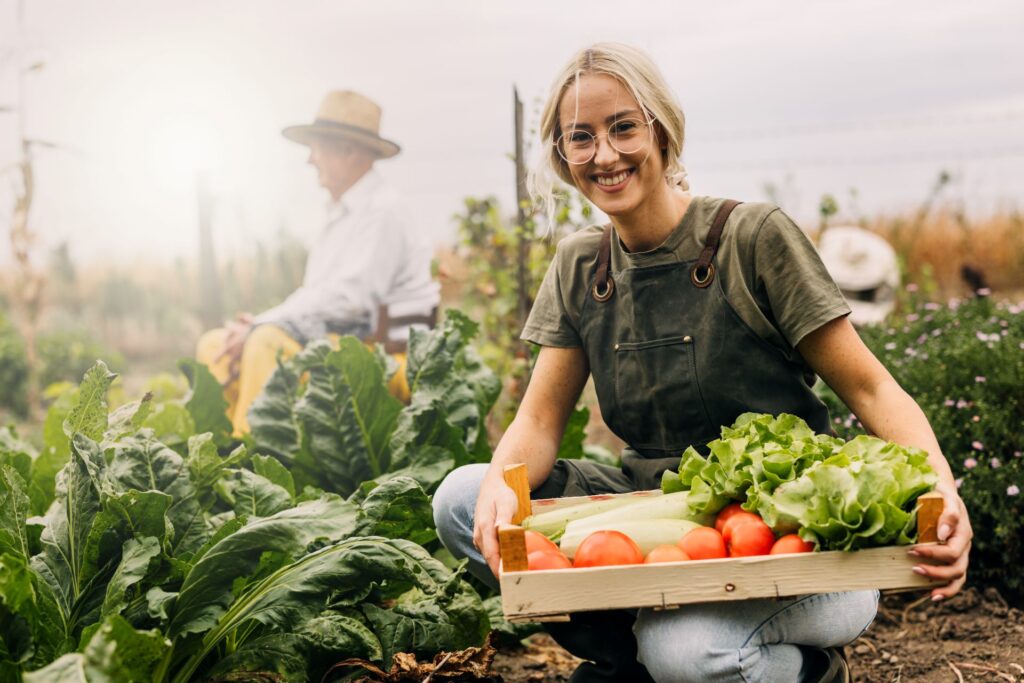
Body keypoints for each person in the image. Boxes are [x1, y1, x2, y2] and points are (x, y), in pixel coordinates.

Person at [432, 43, 971, 683]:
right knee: (463, 500)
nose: (605, 154)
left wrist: (942, 490)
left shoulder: (754, 238)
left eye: (622, 126)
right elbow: (540, 421)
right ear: (563, 156)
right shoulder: (582, 265)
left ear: (662, 130)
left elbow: (872, 388)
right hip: (658, 517)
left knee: (688, 654)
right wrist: (503, 481)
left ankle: (806, 672)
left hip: (791, 541)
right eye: (581, 137)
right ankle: (632, 661)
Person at [196, 90, 439, 435]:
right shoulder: (339, 213)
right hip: (343, 340)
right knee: (215, 345)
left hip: (384, 354)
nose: (311, 160)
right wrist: (255, 326)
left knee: (266, 343)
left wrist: (260, 325)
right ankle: (217, 451)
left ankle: (248, 463)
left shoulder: (384, 212)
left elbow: (350, 301)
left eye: (317, 147)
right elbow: (317, 299)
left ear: (348, 150)